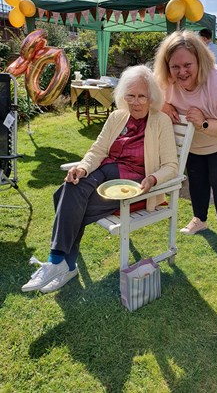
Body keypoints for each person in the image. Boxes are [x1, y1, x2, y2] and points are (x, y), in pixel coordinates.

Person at [22, 65, 178, 293]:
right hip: (104, 176)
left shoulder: (160, 121)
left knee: (69, 201)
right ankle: (61, 264)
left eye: (142, 96)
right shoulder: (117, 117)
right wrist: (82, 168)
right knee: (71, 185)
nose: (136, 102)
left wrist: (153, 178)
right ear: (123, 95)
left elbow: (172, 166)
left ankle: (61, 264)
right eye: (130, 96)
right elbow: (97, 151)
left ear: (151, 97)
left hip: (133, 188)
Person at [153, 30, 217, 250]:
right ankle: (200, 220)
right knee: (196, 182)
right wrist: (162, 105)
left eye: (187, 65)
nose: (181, 72)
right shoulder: (163, 80)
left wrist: (206, 124)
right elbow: (150, 97)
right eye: (175, 67)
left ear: (200, 60)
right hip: (194, 145)